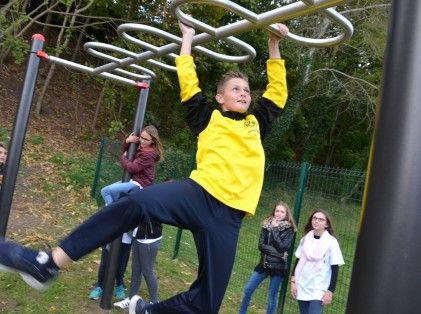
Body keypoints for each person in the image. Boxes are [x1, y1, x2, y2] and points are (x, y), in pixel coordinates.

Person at [0, 20, 289, 314]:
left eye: (247, 90)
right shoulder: (207, 119)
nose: (244, 93)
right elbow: (188, 82)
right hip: (199, 194)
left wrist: (273, 45)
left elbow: (277, 92)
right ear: (220, 97)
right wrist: (187, 38)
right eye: (236, 89)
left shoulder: (257, 123)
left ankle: (151, 311)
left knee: (208, 303)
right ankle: (49, 264)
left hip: (229, 217)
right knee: (135, 202)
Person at [89, 125, 164, 300]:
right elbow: (129, 155)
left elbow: (131, 167)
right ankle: (100, 285)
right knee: (107, 253)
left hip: (129, 218)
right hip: (116, 219)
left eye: (146, 140)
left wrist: (124, 157)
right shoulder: (141, 150)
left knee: (123, 255)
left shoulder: (146, 159)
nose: (142, 142)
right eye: (141, 139)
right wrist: (127, 143)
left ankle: (120, 284)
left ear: (152, 140)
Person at [239, 201, 297, 314]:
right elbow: (261, 246)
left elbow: (284, 246)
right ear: (274, 212)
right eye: (277, 211)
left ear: (286, 214)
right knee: (248, 290)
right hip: (264, 263)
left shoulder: (290, 230)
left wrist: (275, 230)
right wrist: (279, 254)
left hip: (278, 267)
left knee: (271, 298)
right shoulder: (266, 225)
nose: (279, 214)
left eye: (282, 212)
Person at [290, 209, 345, 314]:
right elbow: (298, 260)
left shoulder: (331, 242)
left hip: (319, 288)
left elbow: (335, 268)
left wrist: (330, 291)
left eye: (321, 219)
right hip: (302, 285)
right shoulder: (305, 239)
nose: (316, 221)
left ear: (326, 224)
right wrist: (293, 282)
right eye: (314, 218)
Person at [113, 220, 163, 309]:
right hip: (137, 235)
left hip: (149, 239)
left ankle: (154, 303)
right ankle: (131, 299)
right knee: (135, 269)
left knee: (147, 271)